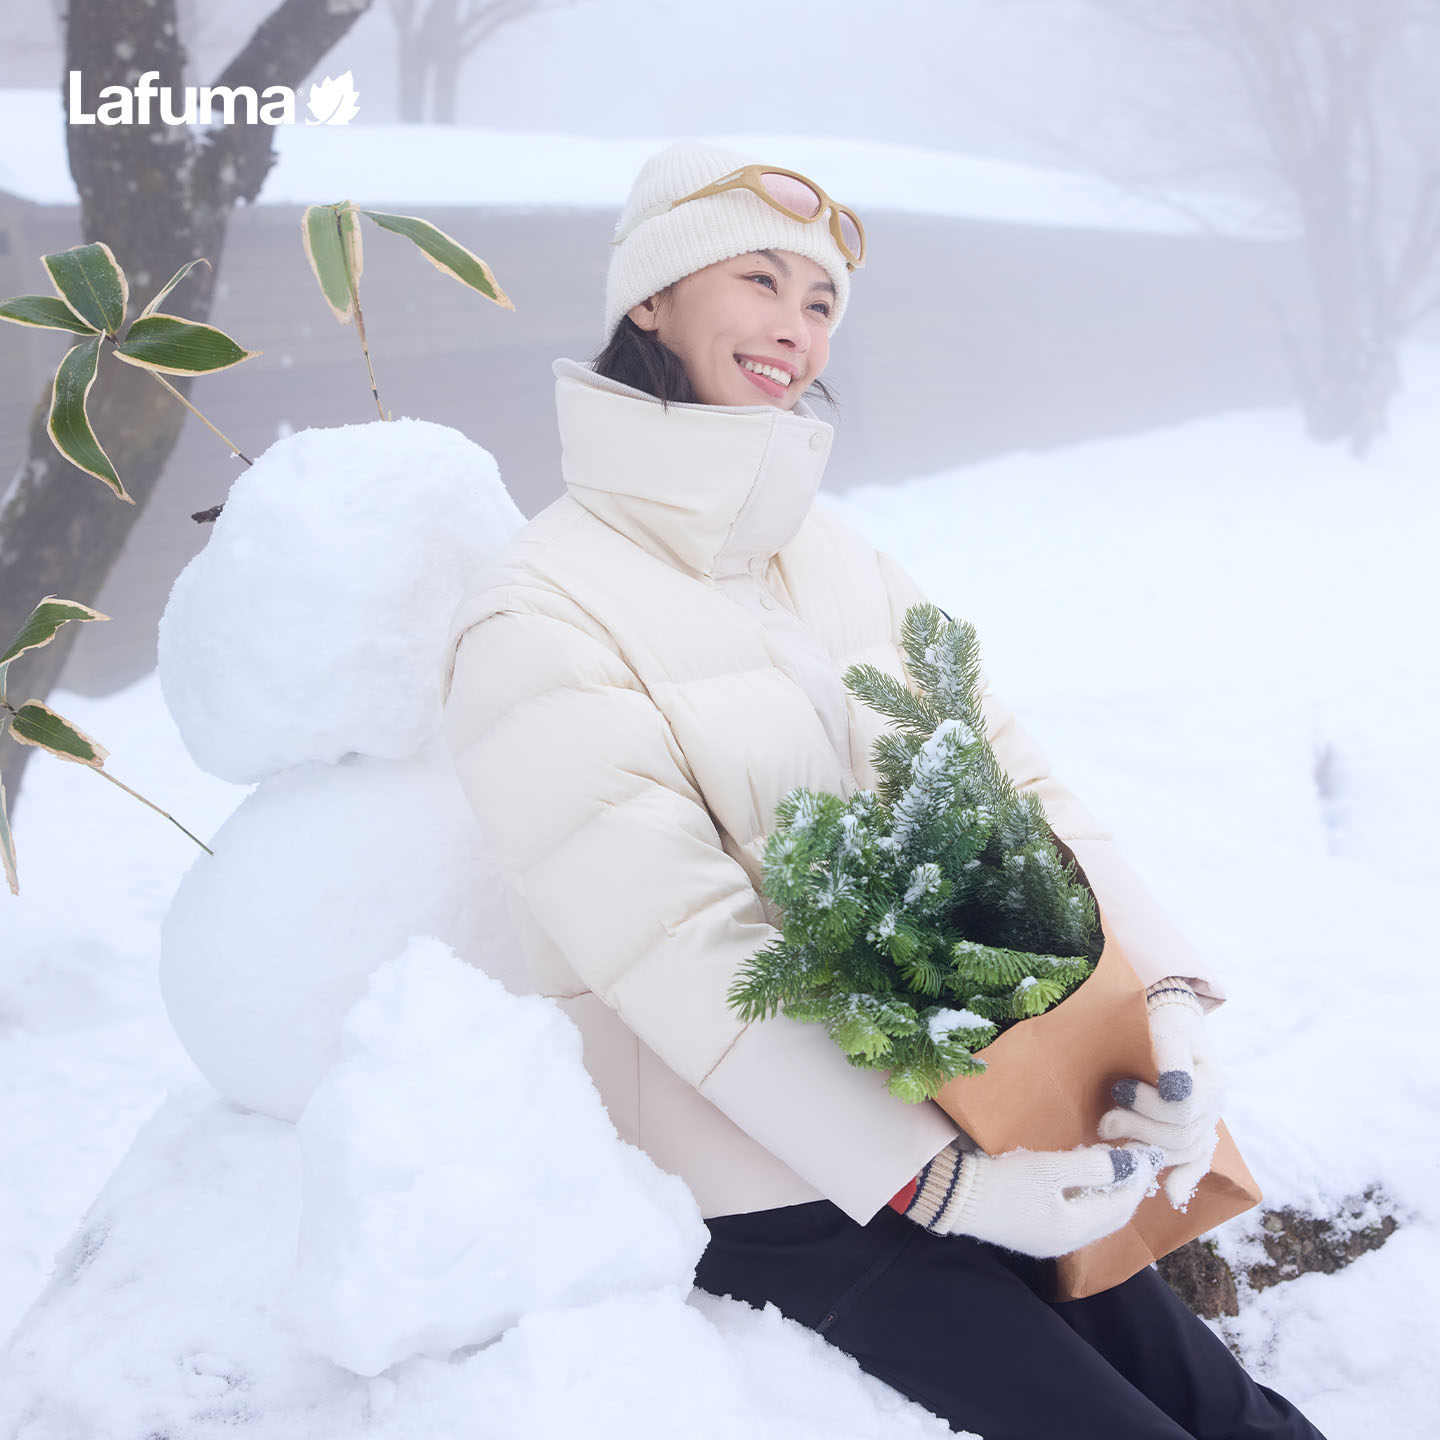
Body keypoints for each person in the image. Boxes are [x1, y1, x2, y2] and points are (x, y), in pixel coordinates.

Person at [441, 140, 1326, 1439]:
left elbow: (1015, 786)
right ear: (651, 297)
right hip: (770, 1189)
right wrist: (934, 1189)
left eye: (820, 304)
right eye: (760, 278)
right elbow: (679, 947)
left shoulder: (832, 557)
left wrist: (1167, 1013)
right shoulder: (541, 609)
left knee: (1230, 1411)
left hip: (983, 1106)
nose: (794, 328)